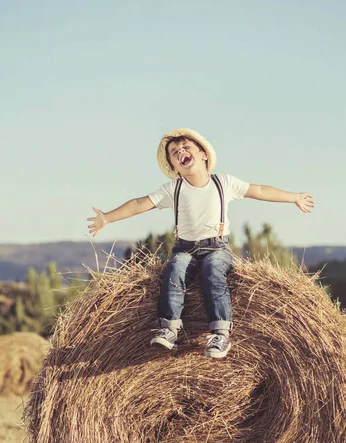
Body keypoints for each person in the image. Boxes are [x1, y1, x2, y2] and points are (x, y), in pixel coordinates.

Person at [88, 128, 314, 358]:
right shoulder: (173, 189)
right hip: (184, 248)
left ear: (203, 154)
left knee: (213, 270)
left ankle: (220, 334)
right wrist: (107, 217)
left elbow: (260, 190)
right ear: (174, 167)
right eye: (174, 152)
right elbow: (139, 203)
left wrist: (293, 197)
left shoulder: (224, 183)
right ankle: (169, 329)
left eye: (186, 147)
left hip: (217, 248)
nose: (180, 152)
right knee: (174, 268)